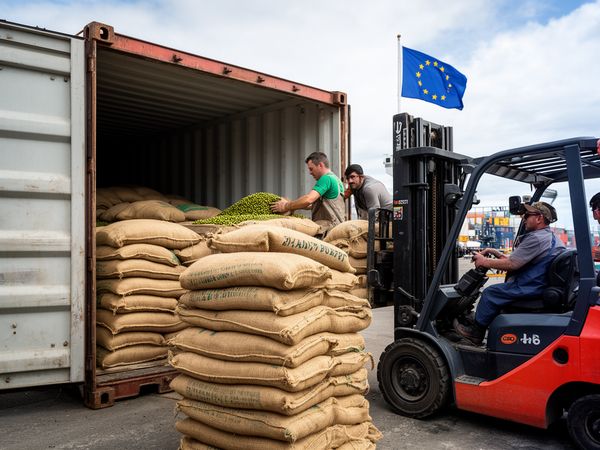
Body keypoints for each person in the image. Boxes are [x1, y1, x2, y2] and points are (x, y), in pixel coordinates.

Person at [453, 201, 565, 345]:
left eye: (527, 215)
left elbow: (512, 264)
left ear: (539, 218)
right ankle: (481, 322)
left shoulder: (536, 238)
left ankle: (475, 333)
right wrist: (495, 252)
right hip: (538, 284)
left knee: (490, 293)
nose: (524, 218)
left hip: (530, 287)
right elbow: (518, 259)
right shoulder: (549, 237)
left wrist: (484, 261)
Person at [270, 152, 345, 233]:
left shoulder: (326, 179)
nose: (310, 172)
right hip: (337, 228)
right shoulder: (336, 180)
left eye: (311, 169)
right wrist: (293, 206)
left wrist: (286, 206)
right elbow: (313, 205)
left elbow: (308, 199)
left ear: (320, 165)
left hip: (329, 229)